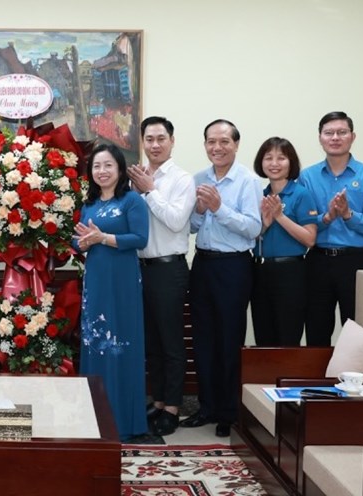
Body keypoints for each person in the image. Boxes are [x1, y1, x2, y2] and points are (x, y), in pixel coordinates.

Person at [183, 119, 262, 437]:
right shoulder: (198, 178)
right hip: (202, 264)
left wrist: (219, 207)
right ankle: (207, 407)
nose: (217, 147)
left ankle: (229, 411)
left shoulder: (248, 180)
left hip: (234, 266)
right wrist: (201, 210)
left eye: (224, 141)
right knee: (202, 339)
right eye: (211, 142)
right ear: (205, 145)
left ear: (236, 144)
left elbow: (253, 228)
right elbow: (190, 227)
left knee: (229, 339)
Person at [75, 143, 149, 441]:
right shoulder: (89, 204)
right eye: (96, 166)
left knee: (122, 342)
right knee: (95, 343)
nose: (102, 171)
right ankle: (92, 418)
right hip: (95, 280)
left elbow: (141, 238)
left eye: (108, 165)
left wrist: (102, 237)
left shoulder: (132, 200)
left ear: (119, 169)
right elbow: (77, 239)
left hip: (123, 282)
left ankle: (124, 422)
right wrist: (81, 243)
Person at [127, 116, 195, 437]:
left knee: (171, 341)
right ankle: (157, 401)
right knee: (150, 341)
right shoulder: (135, 177)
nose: (154, 145)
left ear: (172, 141)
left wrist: (150, 190)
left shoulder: (182, 179)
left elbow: (177, 221)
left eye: (160, 139)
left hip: (170, 269)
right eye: (149, 139)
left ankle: (172, 407)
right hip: (140, 269)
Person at [299, 111, 363, 346]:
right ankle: (317, 382)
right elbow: (301, 225)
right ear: (320, 138)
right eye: (329, 133)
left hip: (356, 262)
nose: (335, 137)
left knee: (359, 331)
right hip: (318, 260)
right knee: (316, 328)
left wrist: (348, 215)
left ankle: (355, 382)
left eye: (341, 132)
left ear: (352, 136)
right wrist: (326, 218)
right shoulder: (307, 177)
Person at [251, 137, 318, 346]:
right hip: (260, 271)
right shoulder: (259, 194)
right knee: (263, 335)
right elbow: (252, 236)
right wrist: (266, 223)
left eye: (281, 158)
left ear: (291, 163)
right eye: (268, 158)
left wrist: (280, 216)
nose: (274, 163)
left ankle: (288, 380)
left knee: (288, 334)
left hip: (291, 272)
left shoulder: (301, 193)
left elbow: (310, 239)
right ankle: (268, 379)